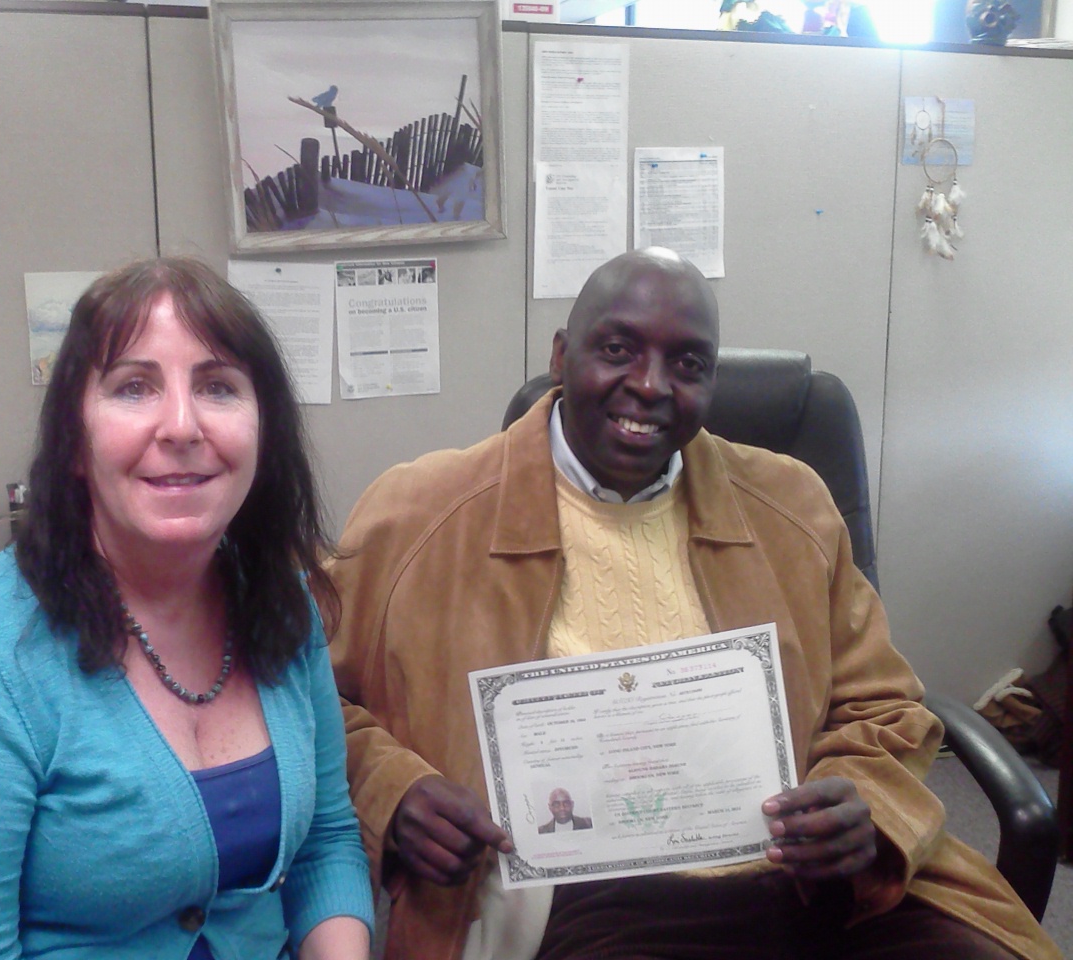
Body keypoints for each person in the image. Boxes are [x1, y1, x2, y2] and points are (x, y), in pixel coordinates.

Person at [329, 248, 1059, 960]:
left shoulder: (790, 506)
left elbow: (884, 705)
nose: (650, 386)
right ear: (561, 356)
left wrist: (864, 799)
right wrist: (395, 791)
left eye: (687, 364)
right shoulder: (418, 517)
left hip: (818, 882)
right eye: (617, 349)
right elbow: (307, 705)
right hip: (586, 897)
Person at [0, 258, 373, 960]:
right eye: (134, 387)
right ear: (75, 442)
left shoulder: (280, 602)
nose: (182, 426)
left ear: (264, 430)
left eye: (218, 387)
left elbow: (324, 844)